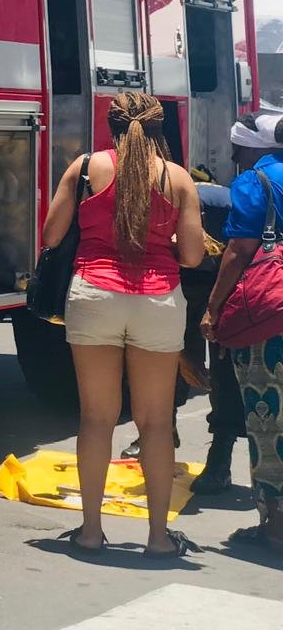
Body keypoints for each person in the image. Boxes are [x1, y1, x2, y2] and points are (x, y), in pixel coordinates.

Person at [41, 92, 205, 559]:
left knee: (97, 418)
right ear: (159, 129)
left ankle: (91, 531)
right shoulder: (177, 178)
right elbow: (193, 255)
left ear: (110, 126)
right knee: (155, 423)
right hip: (157, 299)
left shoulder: (85, 168)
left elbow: (51, 235)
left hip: (94, 294)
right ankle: (158, 538)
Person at [199, 111, 283, 558]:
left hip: (269, 319)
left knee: (268, 421)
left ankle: (275, 529)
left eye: (237, 151)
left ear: (252, 150)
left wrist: (213, 309)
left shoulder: (254, 182)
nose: (234, 159)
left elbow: (237, 251)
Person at [184, 182, 247, 495]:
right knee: (170, 359)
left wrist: (214, 309)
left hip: (229, 276)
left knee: (224, 372)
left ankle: (220, 458)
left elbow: (239, 255)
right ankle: (158, 434)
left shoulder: (229, 205)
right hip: (187, 275)